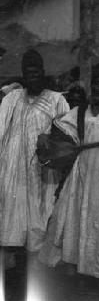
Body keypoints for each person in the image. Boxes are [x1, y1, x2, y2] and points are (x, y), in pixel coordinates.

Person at [38, 63, 99, 279]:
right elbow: (59, 131)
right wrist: (49, 139)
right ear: (92, 86)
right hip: (82, 175)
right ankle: (80, 265)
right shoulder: (79, 113)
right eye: (98, 84)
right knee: (77, 218)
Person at [0, 49, 69, 269]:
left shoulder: (56, 99)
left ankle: (37, 260)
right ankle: (12, 254)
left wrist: (49, 138)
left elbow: (67, 132)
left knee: (41, 208)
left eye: (36, 72)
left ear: (43, 72)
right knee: (13, 207)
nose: (32, 76)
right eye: (27, 73)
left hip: (43, 167)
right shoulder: (12, 98)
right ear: (23, 74)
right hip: (13, 166)